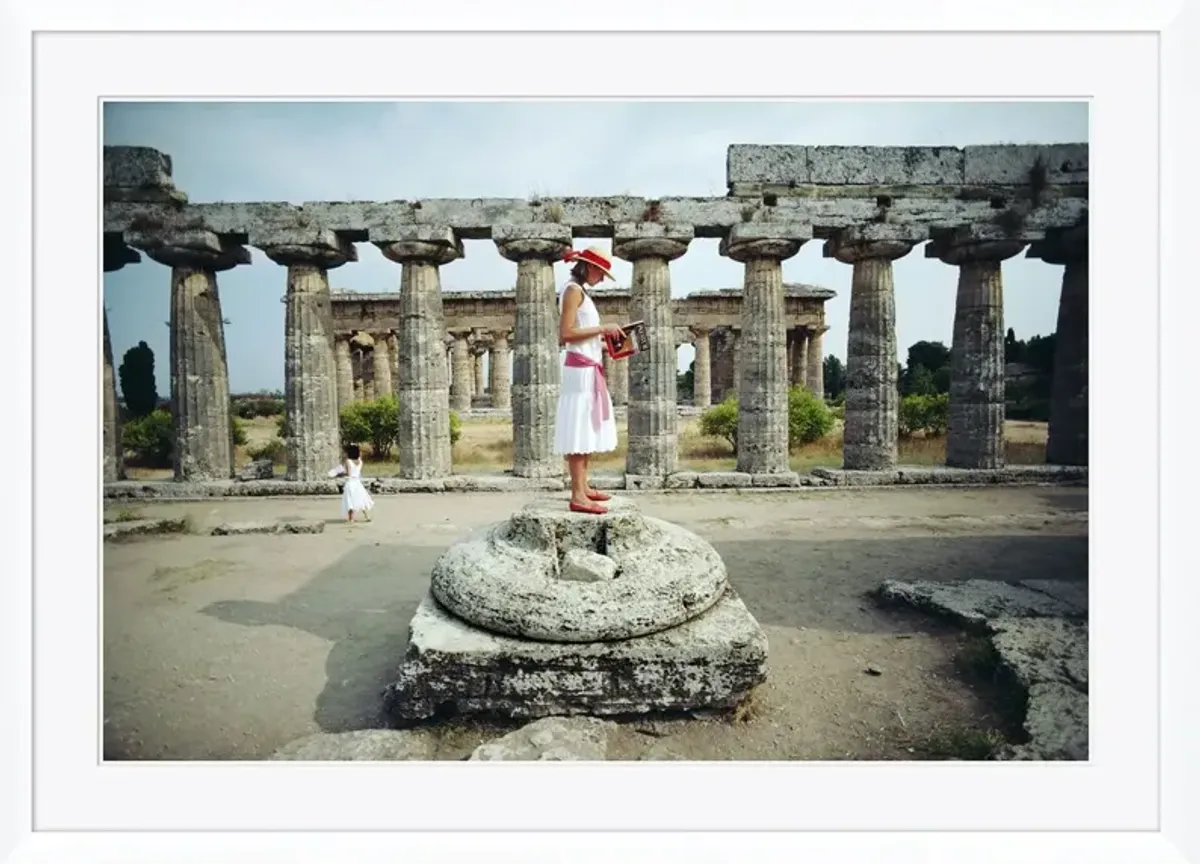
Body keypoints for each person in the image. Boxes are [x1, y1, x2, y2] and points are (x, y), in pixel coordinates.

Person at [553, 246, 624, 514]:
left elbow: (583, 334)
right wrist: (603, 329)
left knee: (586, 428)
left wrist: (609, 342)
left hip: (588, 367)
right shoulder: (572, 290)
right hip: (580, 371)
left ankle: (583, 488)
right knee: (579, 428)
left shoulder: (581, 292)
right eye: (602, 272)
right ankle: (577, 496)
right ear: (588, 267)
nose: (603, 278)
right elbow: (567, 333)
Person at [338, 443, 374, 522]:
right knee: (361, 498)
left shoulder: (348, 461)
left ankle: (351, 517)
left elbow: (348, 473)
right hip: (357, 482)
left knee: (350, 500)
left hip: (350, 482)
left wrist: (339, 473)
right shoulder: (360, 462)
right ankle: (366, 516)